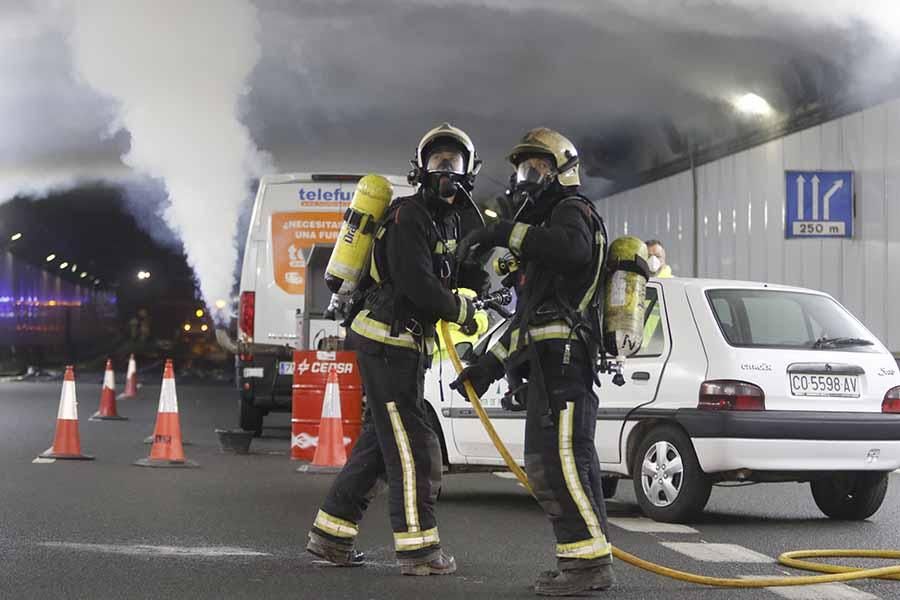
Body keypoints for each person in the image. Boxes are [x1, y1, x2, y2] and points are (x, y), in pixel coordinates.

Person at [306, 123, 485, 576]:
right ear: (420, 169)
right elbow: (417, 283)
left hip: (404, 344)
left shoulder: (450, 219)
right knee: (413, 445)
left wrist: (478, 278)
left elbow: (447, 269)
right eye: (437, 162)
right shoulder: (408, 216)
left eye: (454, 163)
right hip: (387, 342)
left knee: (377, 442)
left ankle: (331, 535)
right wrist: (459, 309)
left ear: (469, 170)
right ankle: (419, 551)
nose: (446, 171)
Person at [451, 127, 614, 596]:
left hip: (565, 368)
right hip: (551, 366)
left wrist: (504, 231)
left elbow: (574, 249)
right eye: (523, 169)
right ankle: (584, 562)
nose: (527, 179)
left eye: (538, 168)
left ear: (563, 171)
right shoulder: (544, 235)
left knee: (558, 464)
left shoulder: (573, 211)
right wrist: (486, 367)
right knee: (565, 465)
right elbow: (529, 321)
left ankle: (586, 567)